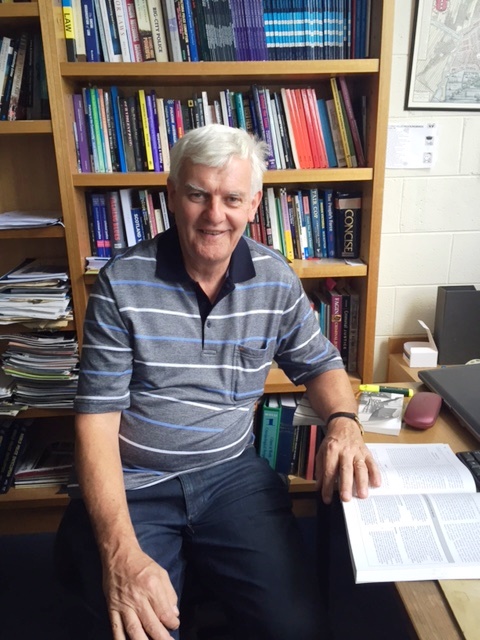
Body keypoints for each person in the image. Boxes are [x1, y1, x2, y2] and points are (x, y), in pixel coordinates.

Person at [55, 123, 381, 640]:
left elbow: (320, 364)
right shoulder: (122, 283)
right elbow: (95, 423)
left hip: (231, 476)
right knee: (140, 629)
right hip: (137, 482)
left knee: (297, 629)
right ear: (171, 196)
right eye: (197, 195)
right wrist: (119, 553)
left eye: (231, 198)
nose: (214, 215)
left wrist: (343, 423)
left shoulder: (275, 279)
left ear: (253, 204)